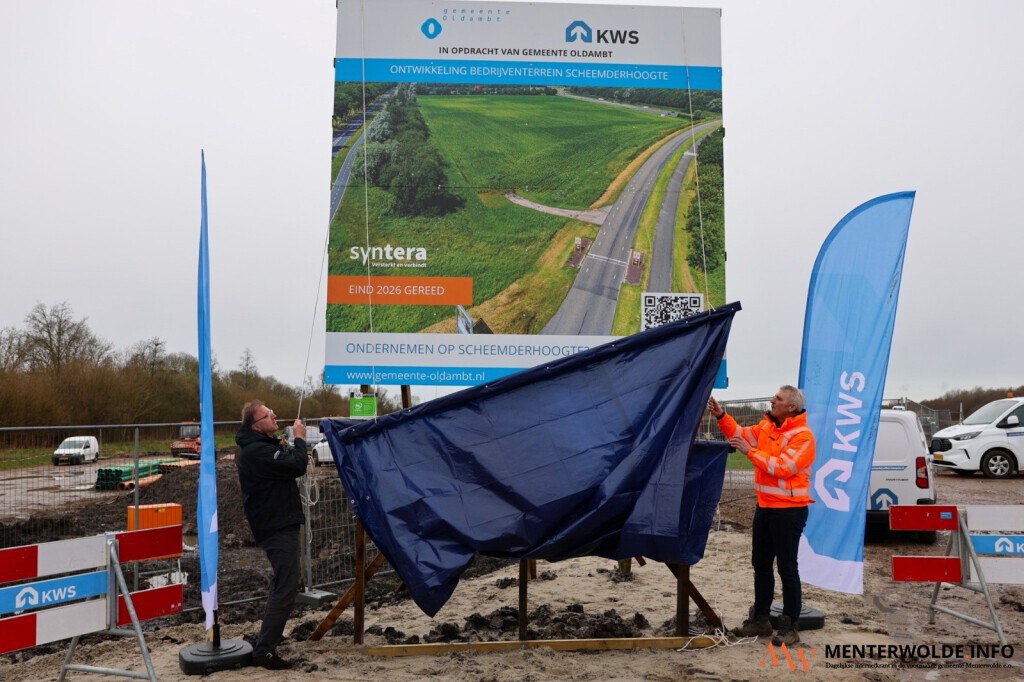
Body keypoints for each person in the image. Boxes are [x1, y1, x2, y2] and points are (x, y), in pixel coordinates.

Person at [708, 386, 816, 646]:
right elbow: (739, 434)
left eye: (778, 399)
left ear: (791, 407)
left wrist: (750, 451)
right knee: (761, 564)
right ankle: (761, 619)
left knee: (787, 567)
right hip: (766, 508)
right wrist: (722, 415)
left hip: (789, 511)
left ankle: (790, 624)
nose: (772, 400)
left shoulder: (803, 436)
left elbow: (783, 468)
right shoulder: (766, 428)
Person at [236, 400, 308, 670]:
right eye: (268, 414)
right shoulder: (255, 452)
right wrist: (300, 439)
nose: (274, 415)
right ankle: (264, 650)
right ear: (256, 425)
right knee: (287, 584)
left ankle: (269, 639)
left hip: (280, 522)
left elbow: (287, 462)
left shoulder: (263, 446)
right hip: (276, 526)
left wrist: (287, 442)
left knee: (283, 582)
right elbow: (297, 466)